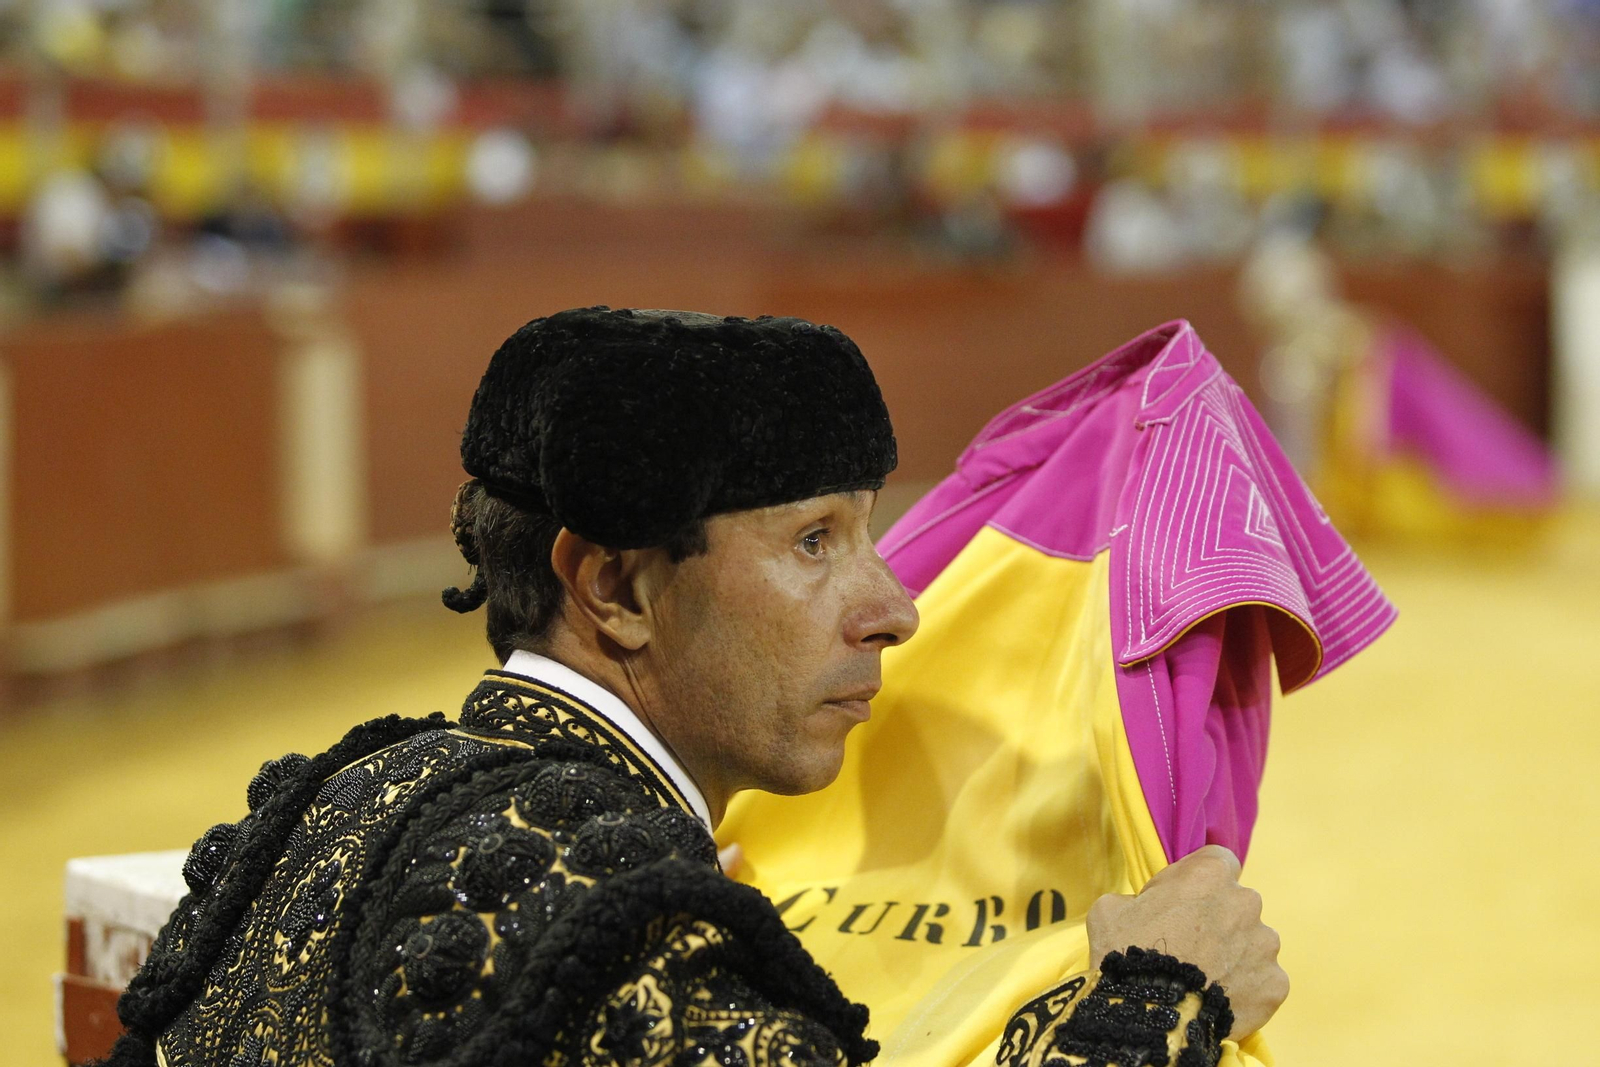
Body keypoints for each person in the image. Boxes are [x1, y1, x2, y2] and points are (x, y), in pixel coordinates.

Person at [103, 308, 1285, 1067]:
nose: (895, 607)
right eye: (813, 542)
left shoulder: (347, 794)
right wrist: (1158, 998)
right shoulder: (611, 910)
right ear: (616, 584)